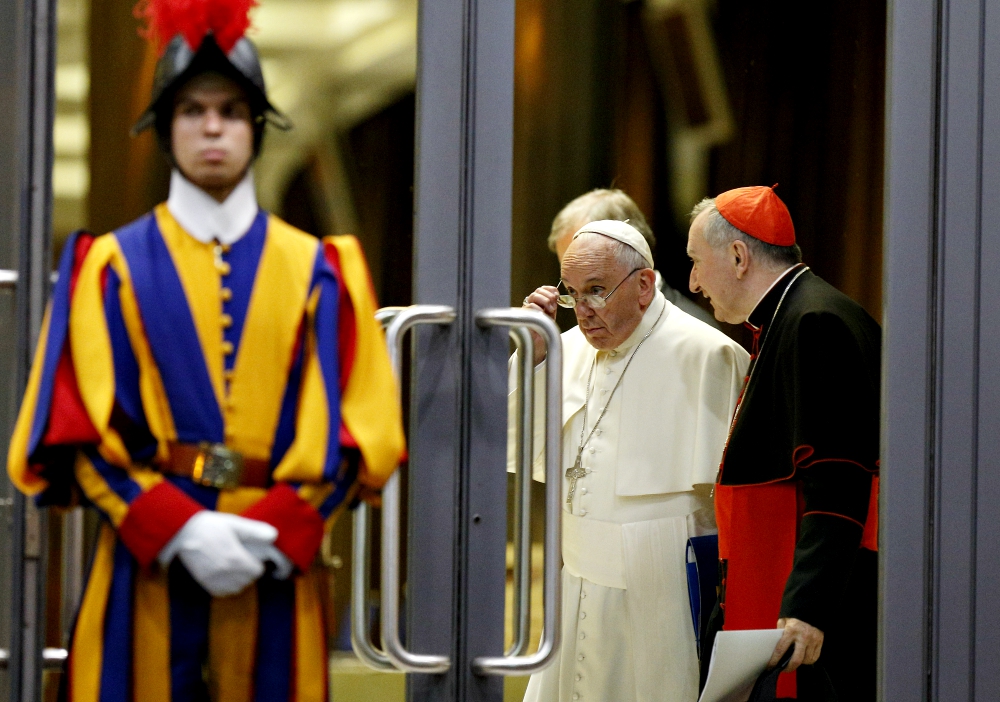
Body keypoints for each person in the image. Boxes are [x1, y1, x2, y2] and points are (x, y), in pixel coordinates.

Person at [6, 1, 404, 699]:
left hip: (276, 570)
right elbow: (78, 429)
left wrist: (279, 529)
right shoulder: (109, 267)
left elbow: (354, 430)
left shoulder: (320, 269)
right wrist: (177, 529)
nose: (213, 126)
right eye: (192, 109)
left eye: (230, 108)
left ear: (257, 123)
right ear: (165, 126)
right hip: (145, 565)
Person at [517, 220, 749, 702]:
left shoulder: (708, 355)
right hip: (576, 570)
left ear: (644, 286)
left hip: (658, 573)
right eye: (572, 294)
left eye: (597, 292)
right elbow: (524, 450)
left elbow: (733, 504)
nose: (582, 313)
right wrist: (535, 356)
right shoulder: (566, 348)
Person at [686, 186, 879, 701]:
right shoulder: (790, 318)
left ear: (738, 256)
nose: (693, 282)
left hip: (825, 608)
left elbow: (839, 478)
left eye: (696, 263)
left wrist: (808, 607)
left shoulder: (815, 323)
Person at [547, 188, 720, 329]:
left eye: (585, 255)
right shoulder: (575, 341)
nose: (582, 311)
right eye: (570, 289)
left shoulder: (696, 331)